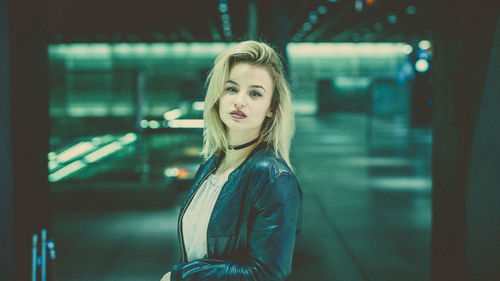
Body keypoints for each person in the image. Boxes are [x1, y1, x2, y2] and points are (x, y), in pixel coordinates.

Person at [161, 40, 302, 281]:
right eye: (231, 89)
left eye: (255, 93)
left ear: (271, 107)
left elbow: (267, 272)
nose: (239, 101)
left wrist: (181, 277)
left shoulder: (273, 177)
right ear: (218, 96)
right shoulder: (211, 166)